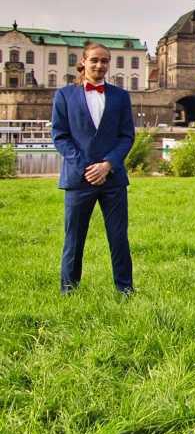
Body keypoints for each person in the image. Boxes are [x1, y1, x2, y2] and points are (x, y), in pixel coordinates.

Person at [51, 41, 135, 295]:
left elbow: (127, 136)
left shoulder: (121, 96)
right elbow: (60, 136)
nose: (100, 65)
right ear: (83, 62)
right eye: (95, 60)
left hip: (113, 178)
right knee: (74, 239)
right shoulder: (64, 95)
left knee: (119, 238)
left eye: (104, 61)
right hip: (79, 178)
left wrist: (108, 164)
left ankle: (125, 290)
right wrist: (89, 167)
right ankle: (69, 291)